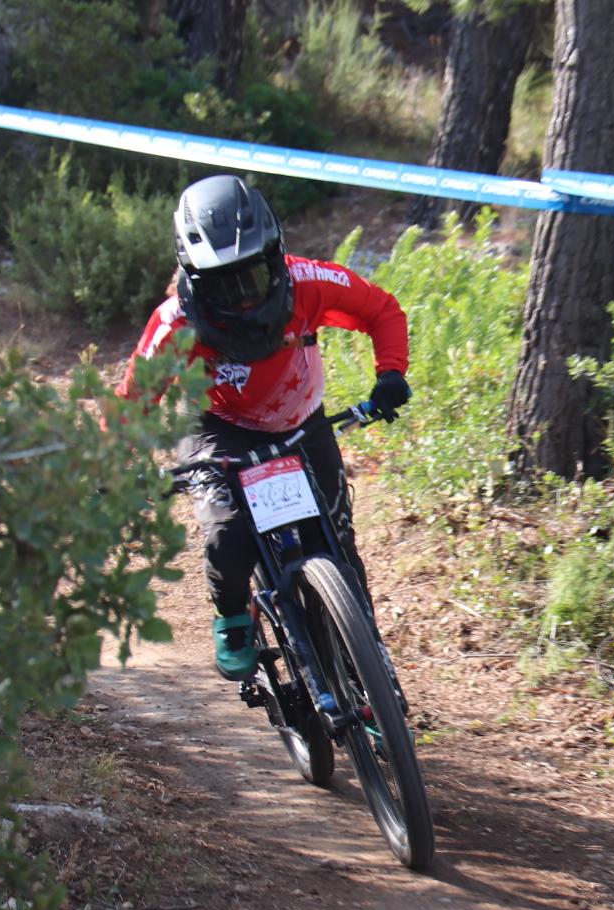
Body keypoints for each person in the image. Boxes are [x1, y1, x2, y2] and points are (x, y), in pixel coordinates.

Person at [115, 175, 412, 680]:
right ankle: (233, 617)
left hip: (300, 422)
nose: (243, 299)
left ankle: (369, 663)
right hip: (218, 428)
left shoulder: (310, 282)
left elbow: (380, 310)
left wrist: (391, 373)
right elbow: (132, 401)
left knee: (336, 542)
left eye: (251, 278)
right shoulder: (175, 323)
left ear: (275, 257)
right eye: (224, 285)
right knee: (229, 535)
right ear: (194, 279)